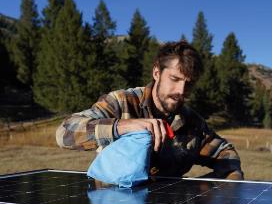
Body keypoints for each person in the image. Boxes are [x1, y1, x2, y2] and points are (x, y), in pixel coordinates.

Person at [56, 40, 244, 180]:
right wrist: (124, 126)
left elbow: (226, 154)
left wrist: (198, 192)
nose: (181, 91)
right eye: (175, 79)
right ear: (156, 73)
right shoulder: (121, 102)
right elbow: (65, 133)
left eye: (189, 84)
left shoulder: (192, 124)